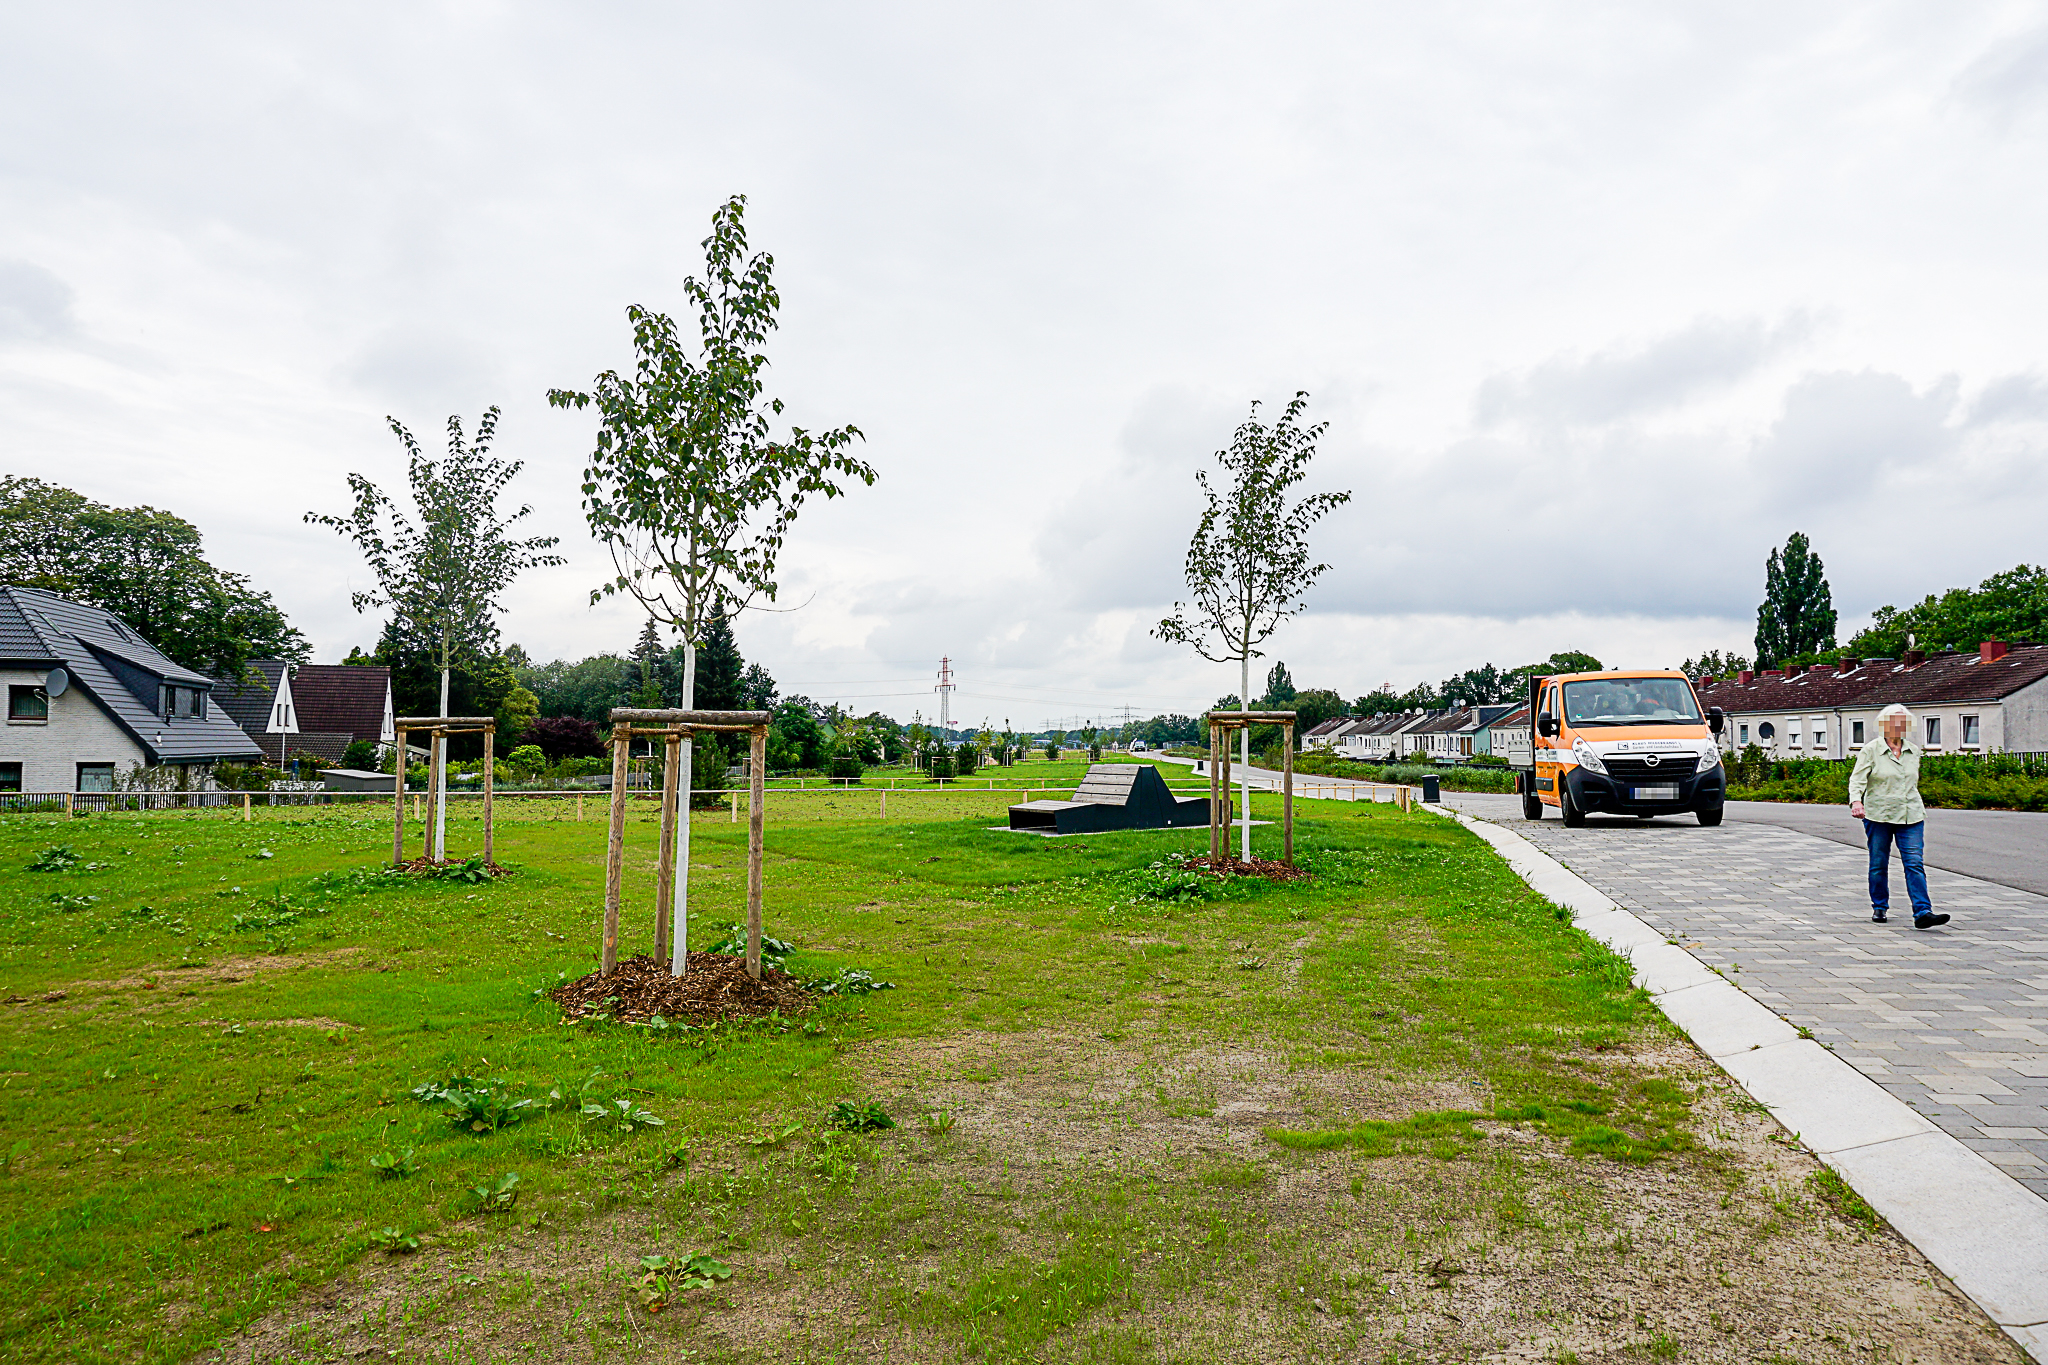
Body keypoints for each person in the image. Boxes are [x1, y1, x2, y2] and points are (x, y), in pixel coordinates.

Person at [1848, 703, 1948, 929]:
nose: (1899, 726)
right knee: (1878, 863)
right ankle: (1880, 906)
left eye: (1903, 722)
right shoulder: (1871, 750)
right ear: (1884, 725)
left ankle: (1923, 912)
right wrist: (1856, 801)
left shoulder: (1913, 751)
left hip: (1910, 814)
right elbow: (1857, 779)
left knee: (1914, 863)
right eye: (1894, 721)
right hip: (1878, 815)